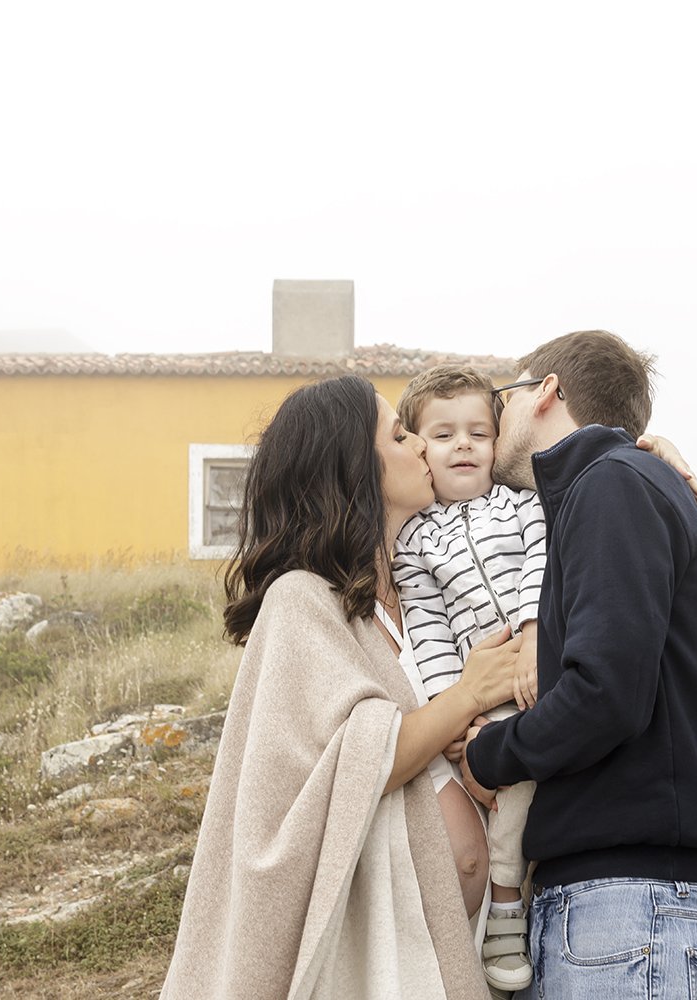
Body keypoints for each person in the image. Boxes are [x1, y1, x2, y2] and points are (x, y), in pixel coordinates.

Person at [161, 374, 520, 1000]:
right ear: (355, 466)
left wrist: (639, 455)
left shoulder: (425, 589)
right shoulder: (302, 600)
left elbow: (545, 478)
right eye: (399, 434)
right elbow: (360, 760)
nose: (419, 447)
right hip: (378, 959)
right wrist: (467, 695)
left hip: (480, 936)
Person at [462, 331, 697, 999]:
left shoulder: (612, 487)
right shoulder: (609, 486)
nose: (494, 418)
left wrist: (488, 755)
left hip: (629, 903)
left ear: (546, 393)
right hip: (620, 904)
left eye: (504, 397)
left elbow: (607, 693)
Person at [392, 364, 549, 995]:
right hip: (479, 694)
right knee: (503, 780)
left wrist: (534, 632)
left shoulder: (524, 505)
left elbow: (544, 563)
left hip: (540, 670)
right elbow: (427, 632)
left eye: (479, 433)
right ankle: (502, 897)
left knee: (533, 767)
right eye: (444, 434)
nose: (464, 445)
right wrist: (449, 718)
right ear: (419, 448)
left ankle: (509, 895)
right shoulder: (415, 542)